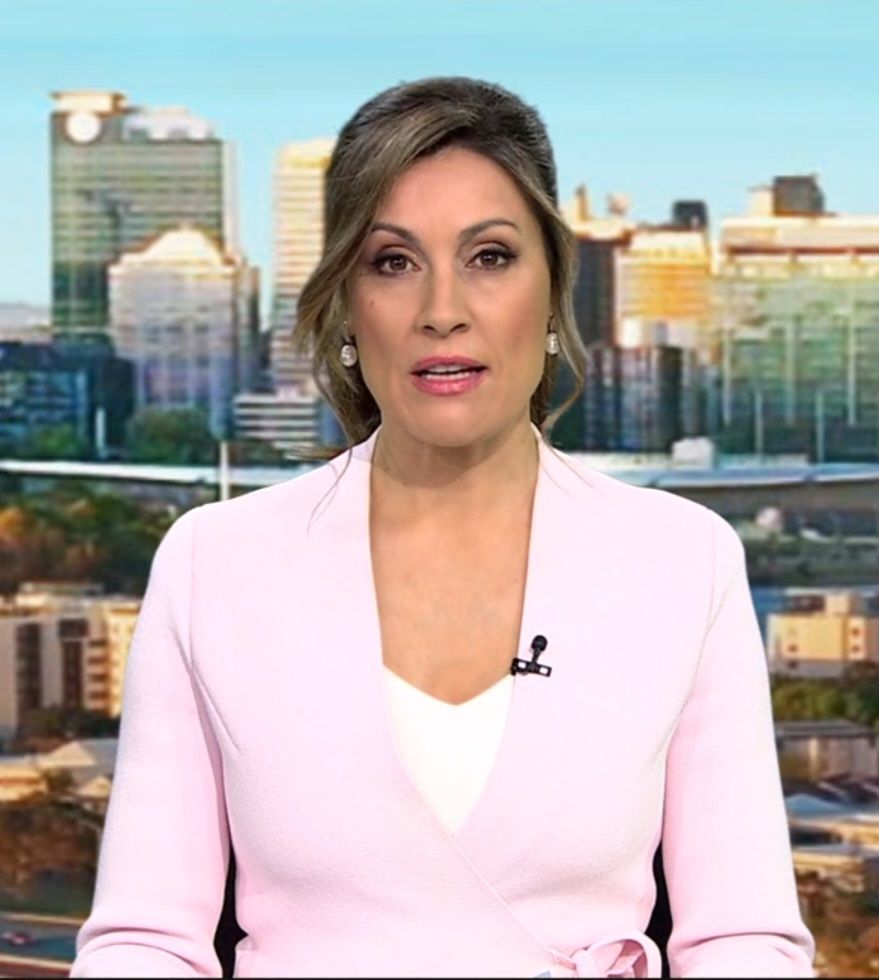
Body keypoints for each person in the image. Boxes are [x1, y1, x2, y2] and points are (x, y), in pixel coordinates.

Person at [69, 76, 815, 978]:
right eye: (393, 262)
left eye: (489, 256)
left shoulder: (682, 561)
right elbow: (144, 941)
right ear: (347, 306)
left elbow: (742, 937)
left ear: (553, 293)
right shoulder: (215, 563)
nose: (441, 309)